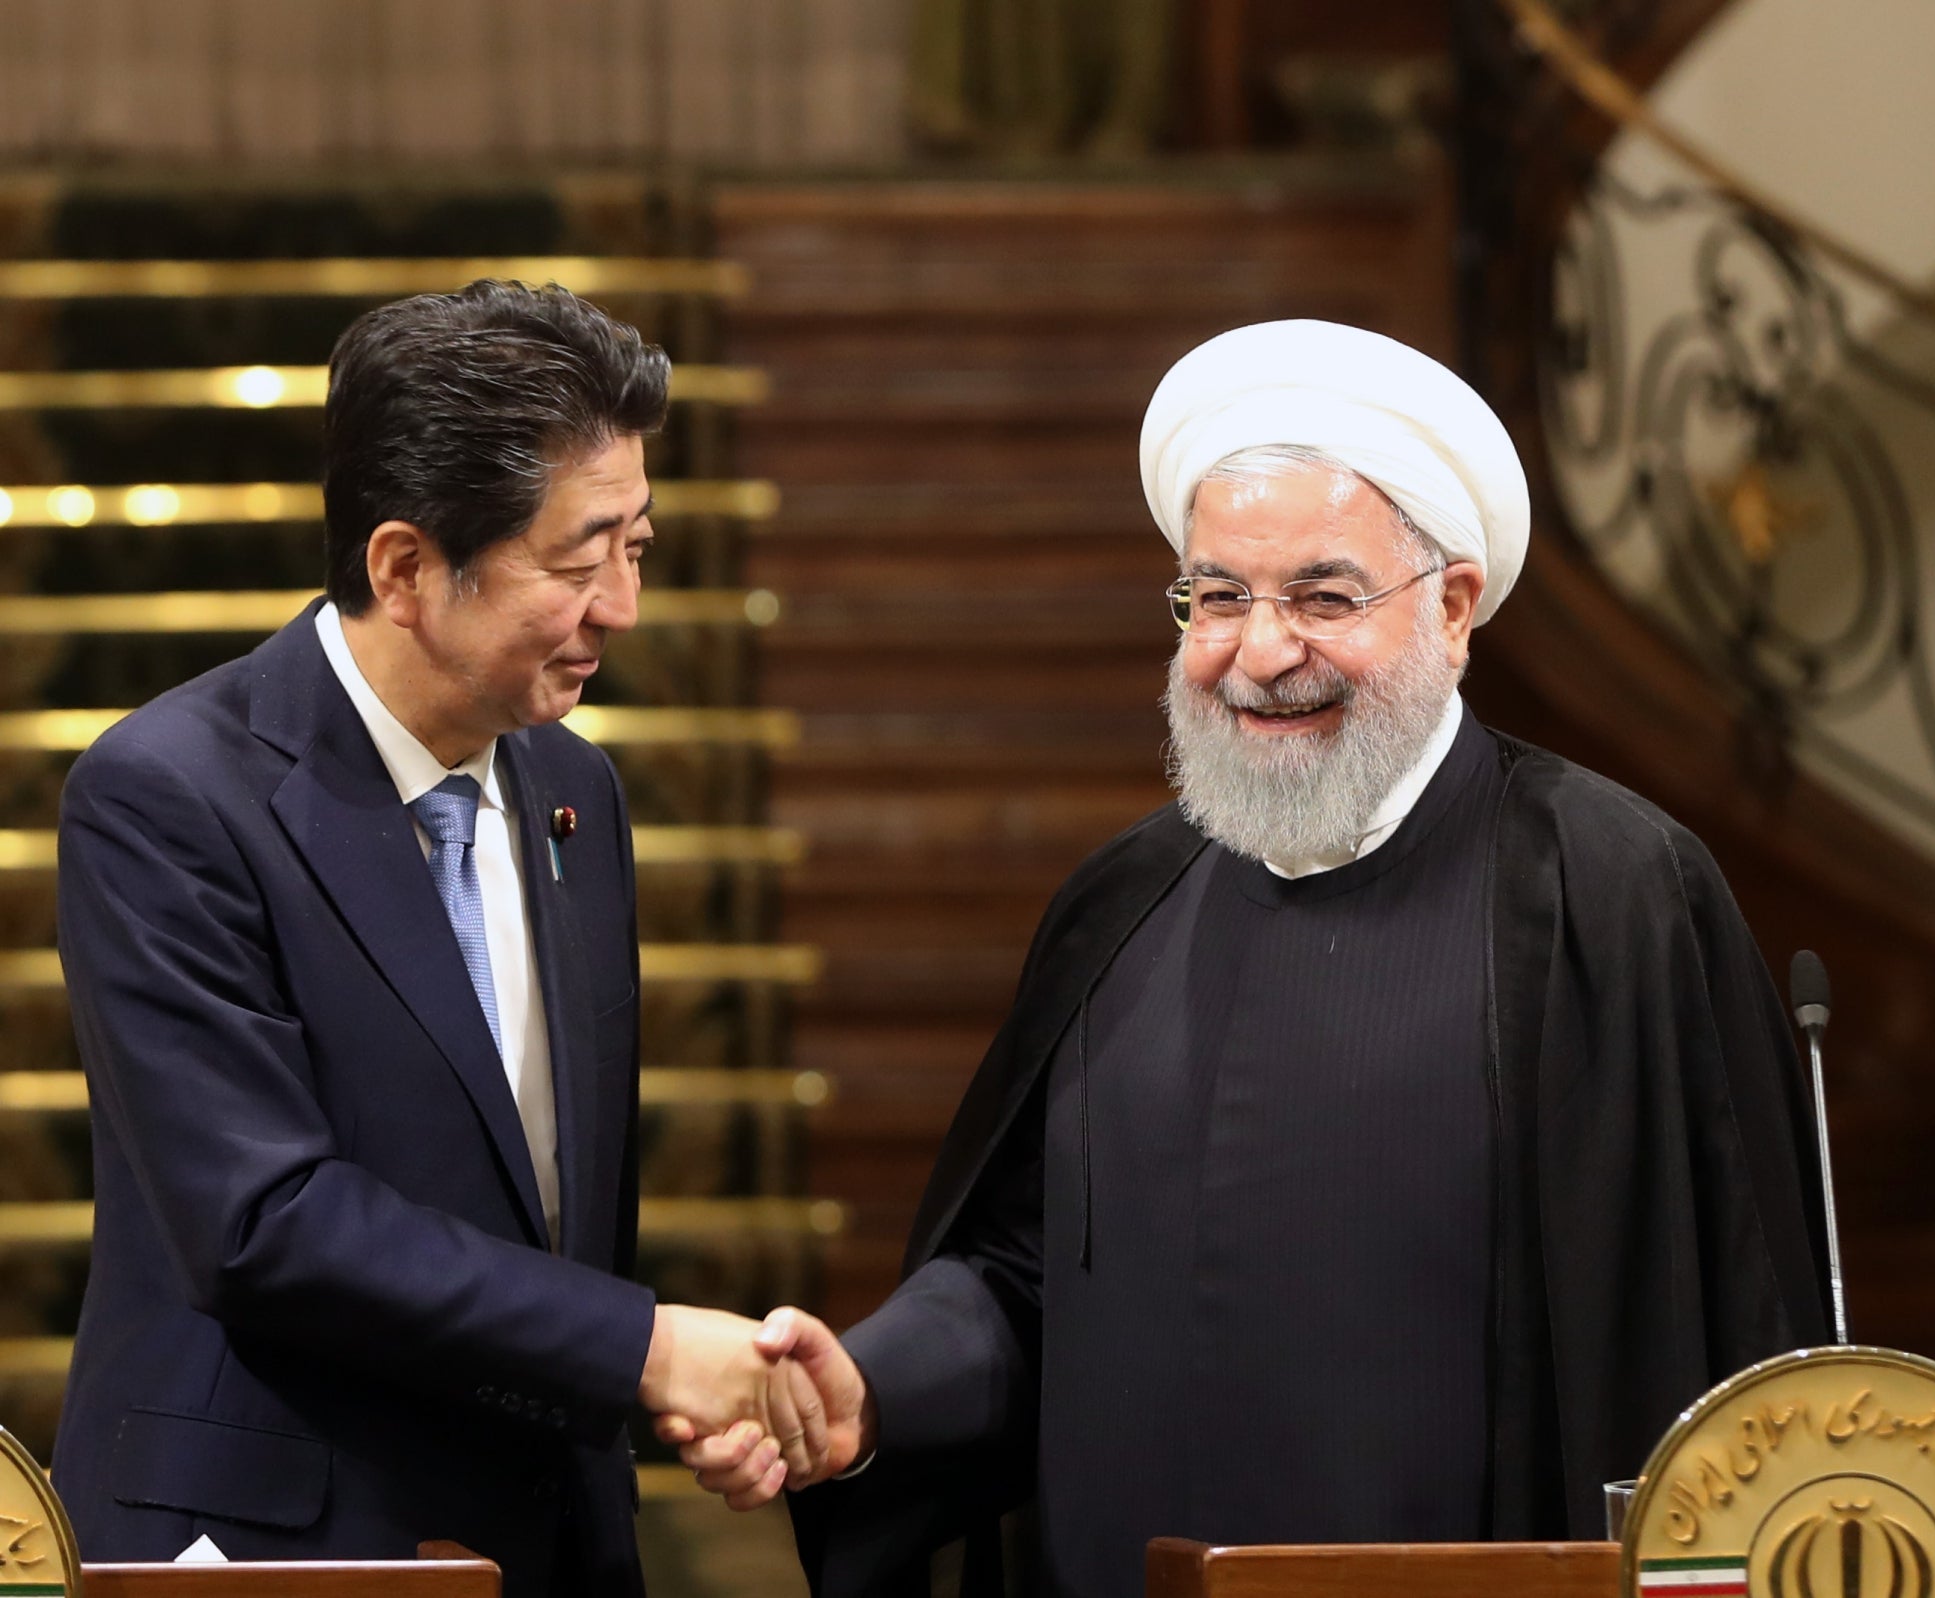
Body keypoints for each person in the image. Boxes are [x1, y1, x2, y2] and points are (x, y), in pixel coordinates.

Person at [673, 319, 1834, 1598]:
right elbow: (1027, 1280)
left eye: (1323, 596)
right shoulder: (1119, 903)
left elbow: (1733, 1344)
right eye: (1217, 596)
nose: (1262, 650)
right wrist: (875, 1388)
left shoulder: (1608, 895)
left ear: (1451, 608)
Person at [49, 282, 815, 1596]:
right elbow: (263, 1222)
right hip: (269, 1540)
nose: (623, 608)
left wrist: (677, 1392)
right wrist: (644, 1346)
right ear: (405, 567)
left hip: (547, 1534)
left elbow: (549, 1211)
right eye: (578, 563)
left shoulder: (580, 788)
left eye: (639, 544)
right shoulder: (169, 795)